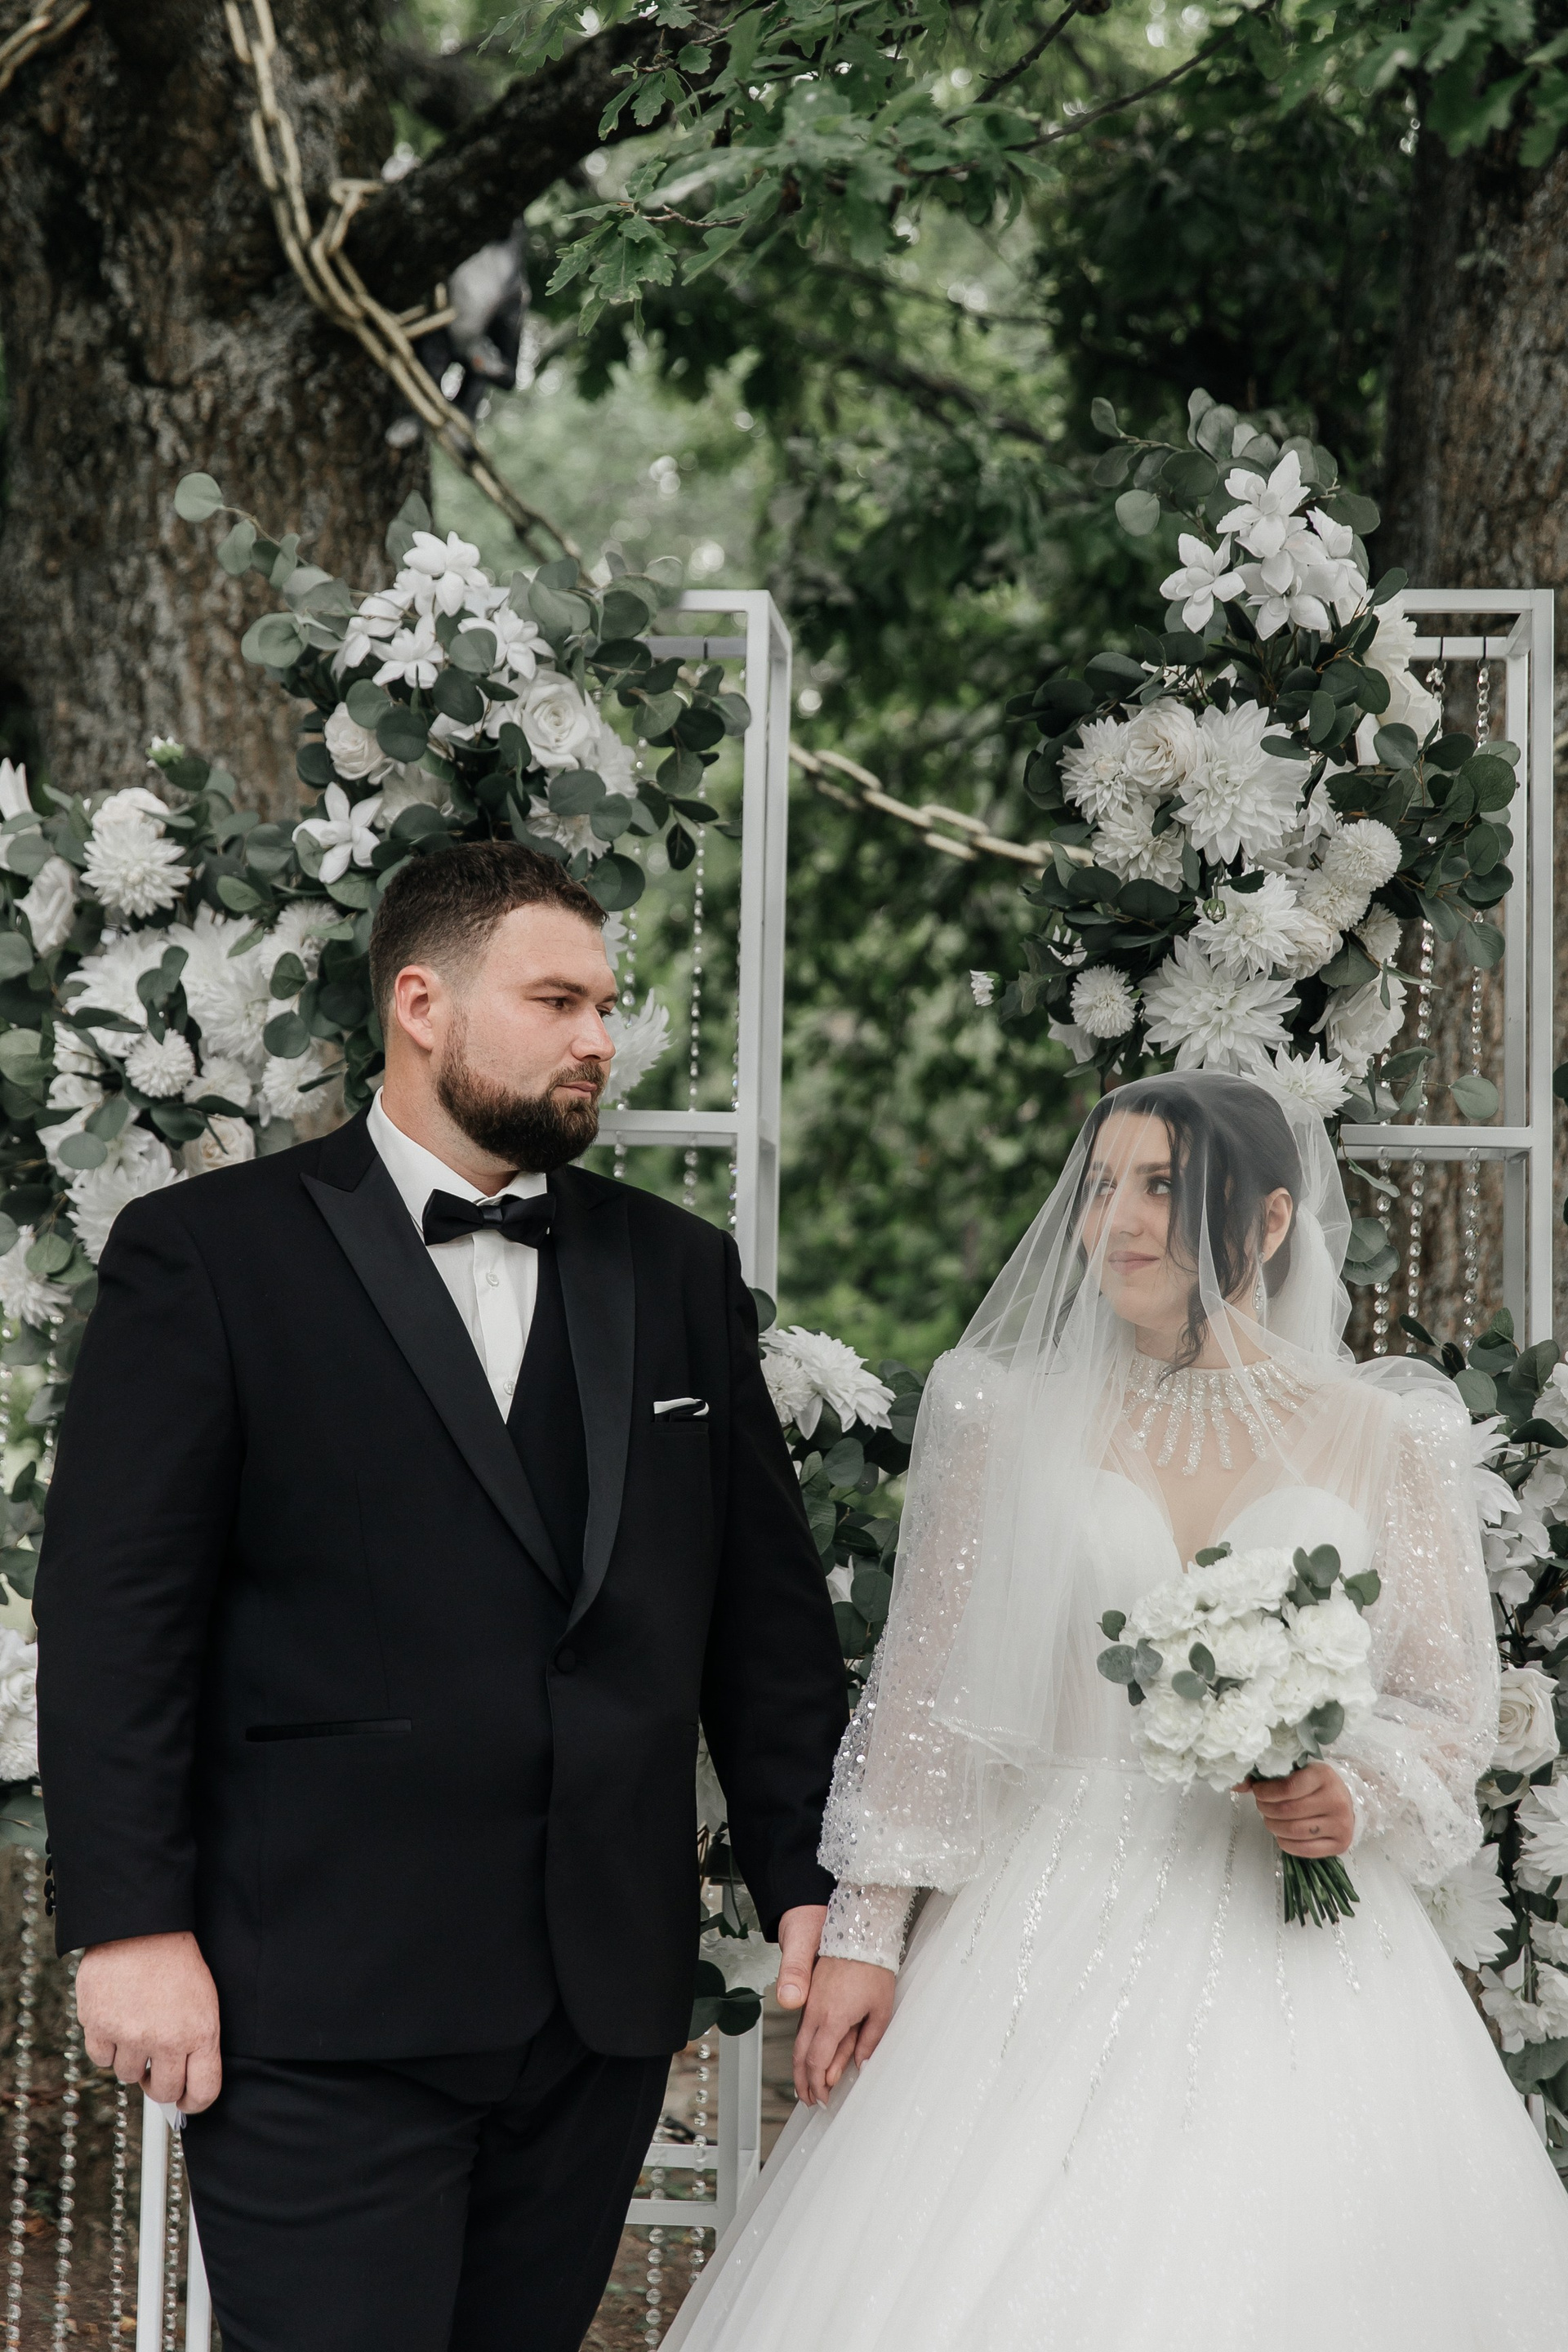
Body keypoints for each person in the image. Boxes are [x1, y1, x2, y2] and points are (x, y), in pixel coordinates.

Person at [34, 841, 848, 2352]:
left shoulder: (677, 1270)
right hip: (315, 1994)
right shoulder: (208, 1257)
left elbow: (765, 1623)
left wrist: (815, 1881)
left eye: (606, 1005)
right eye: (558, 1001)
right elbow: (116, 1618)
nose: (599, 1038)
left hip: (596, 2006)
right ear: (423, 1004)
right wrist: (131, 1925)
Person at [663, 1068, 1568, 2352]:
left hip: (1293, 1929)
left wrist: (1349, 1791)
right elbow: (923, 1699)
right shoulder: (1000, 1416)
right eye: (1099, 1189)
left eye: (1163, 1188)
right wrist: (866, 1935)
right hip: (1037, 1907)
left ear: (1269, 1221)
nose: (1120, 1223)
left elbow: (1443, 1707)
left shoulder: (1387, 1436)